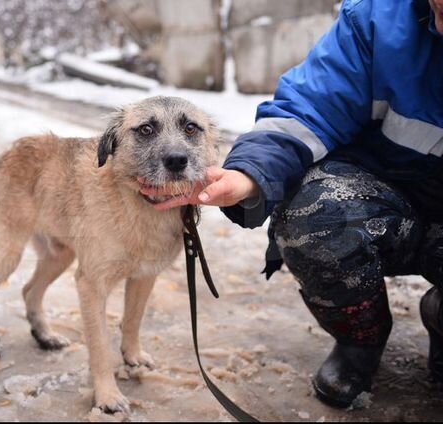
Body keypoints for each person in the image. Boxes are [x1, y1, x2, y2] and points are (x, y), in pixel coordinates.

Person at [141, 0, 443, 408]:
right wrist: (249, 175)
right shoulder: (376, 17)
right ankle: (360, 341)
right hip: (384, 197)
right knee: (313, 210)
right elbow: (308, 108)